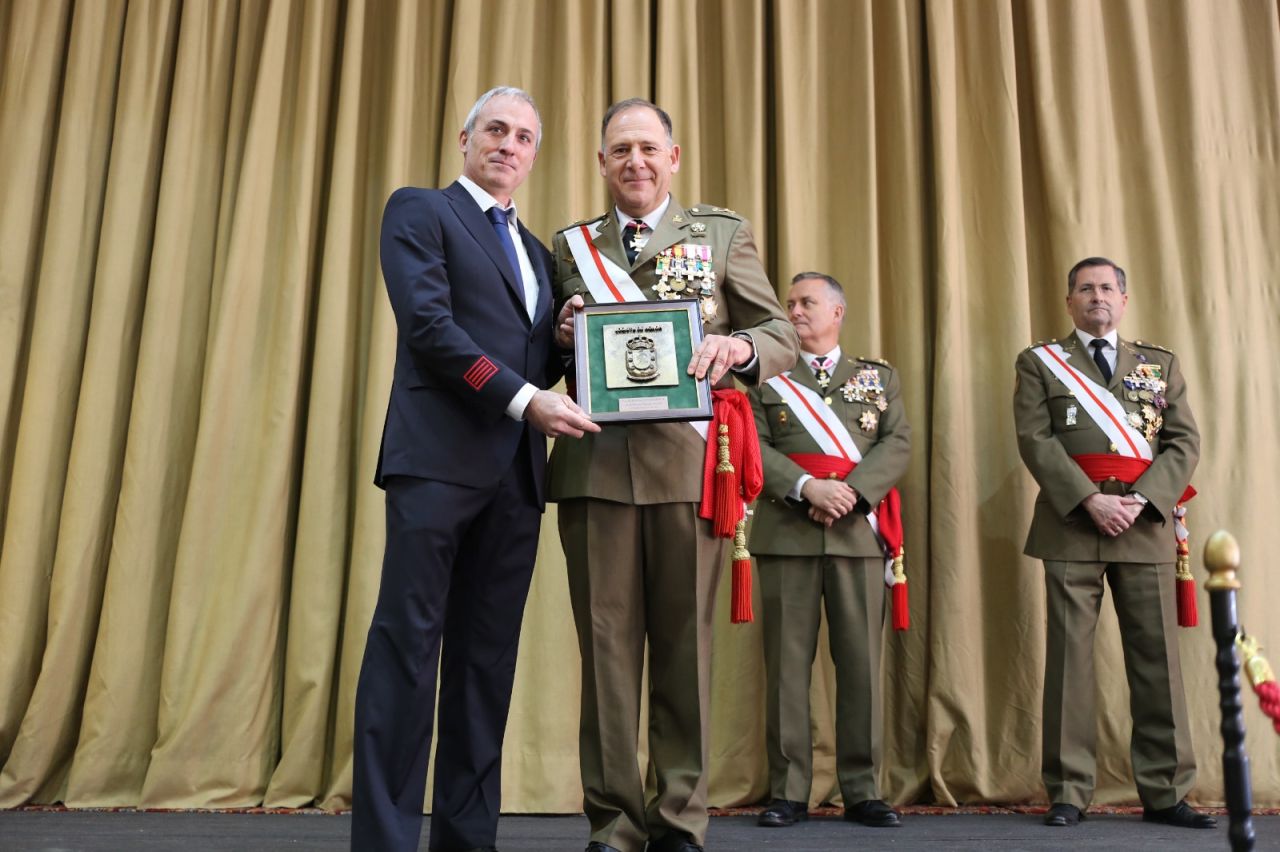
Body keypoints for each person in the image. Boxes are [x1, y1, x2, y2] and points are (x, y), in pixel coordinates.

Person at [352, 87, 599, 852]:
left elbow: (540, 361)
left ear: (533, 155)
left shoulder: (536, 253)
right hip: (435, 465)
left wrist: (563, 342)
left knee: (484, 668)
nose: (509, 144)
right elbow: (428, 326)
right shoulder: (419, 210)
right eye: (496, 129)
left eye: (525, 136)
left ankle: (467, 841)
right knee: (408, 652)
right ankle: (387, 841)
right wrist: (528, 401)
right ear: (465, 138)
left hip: (516, 482)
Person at [548, 98, 799, 852]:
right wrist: (560, 340)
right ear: (601, 162)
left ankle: (680, 820)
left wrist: (738, 353)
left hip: (691, 470)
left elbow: (776, 330)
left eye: (648, 148)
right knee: (606, 656)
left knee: (686, 655)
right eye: (620, 149)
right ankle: (613, 824)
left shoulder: (720, 235)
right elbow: (550, 359)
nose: (635, 161)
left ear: (674, 156)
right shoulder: (570, 246)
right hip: (595, 470)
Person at [1013, 257, 1214, 830]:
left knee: (1157, 664)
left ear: (1123, 299)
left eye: (1106, 287)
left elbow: (1182, 442)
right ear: (1069, 300)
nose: (1096, 296)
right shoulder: (1040, 363)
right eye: (1084, 288)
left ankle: (1166, 791)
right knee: (1070, 663)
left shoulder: (1159, 363)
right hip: (1072, 520)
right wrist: (1089, 501)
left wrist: (1144, 500)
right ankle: (1069, 792)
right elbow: (1035, 437)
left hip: (1144, 521)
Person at [745, 272, 910, 830]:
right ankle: (789, 789)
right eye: (789, 303)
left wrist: (852, 495)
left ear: (837, 311)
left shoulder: (876, 376)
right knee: (788, 668)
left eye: (807, 302)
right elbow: (750, 444)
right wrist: (806, 488)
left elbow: (896, 442)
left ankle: (863, 789)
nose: (794, 310)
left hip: (857, 535)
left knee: (860, 664)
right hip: (787, 532)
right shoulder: (765, 376)